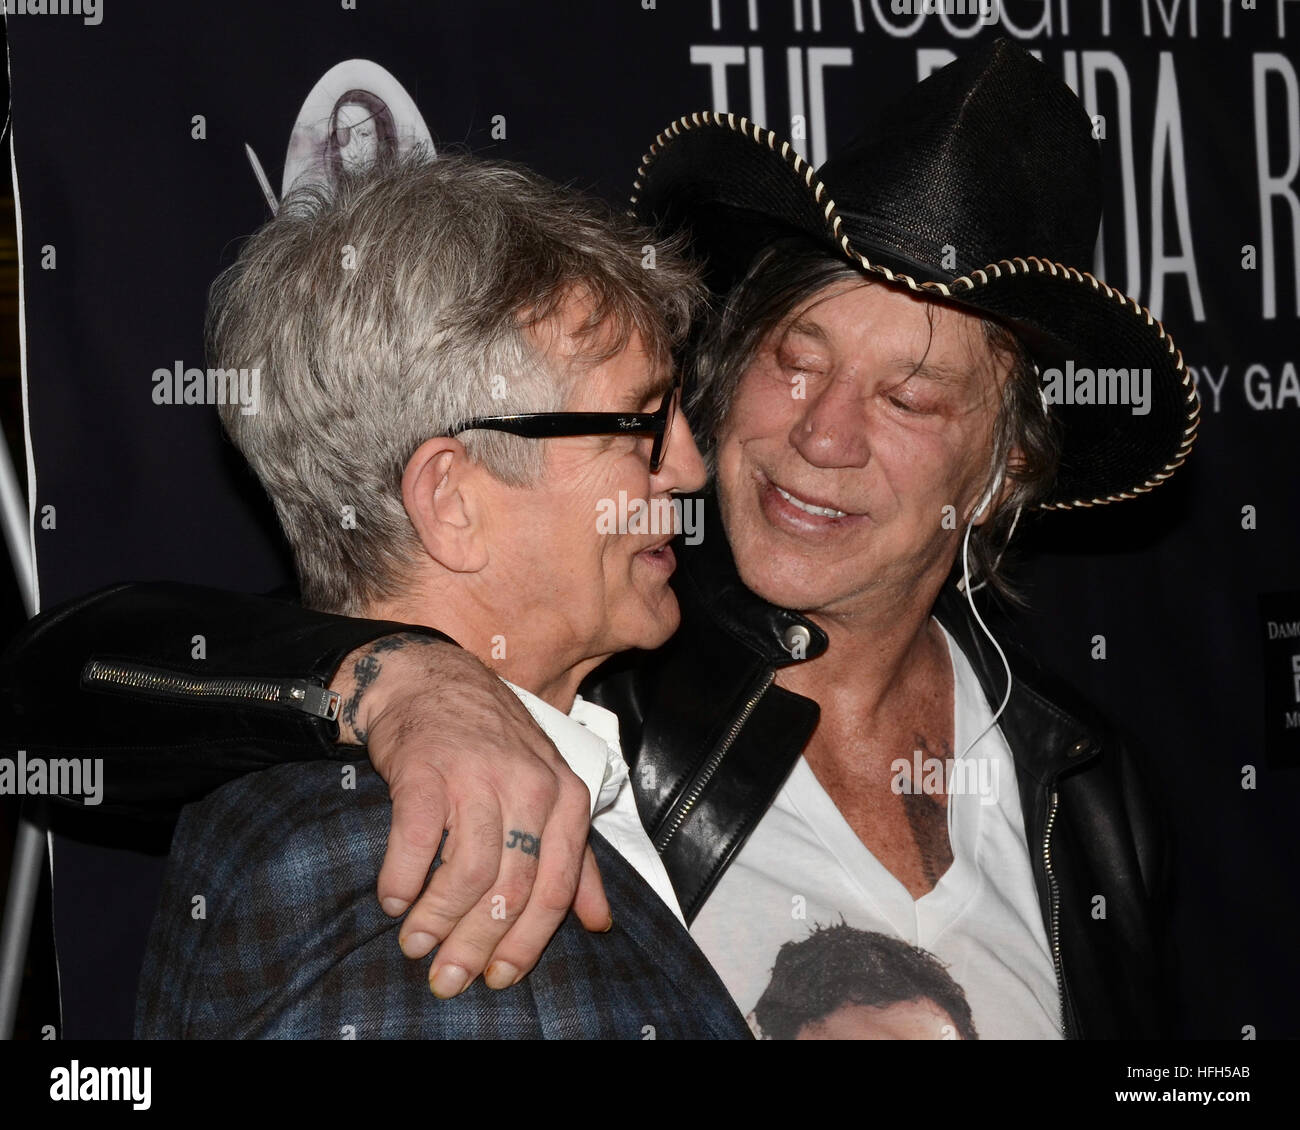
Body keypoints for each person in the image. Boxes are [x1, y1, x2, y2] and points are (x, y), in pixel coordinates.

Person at [5, 40, 1197, 1038]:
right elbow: (65, 688)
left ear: (1003, 471)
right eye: (794, 361)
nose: (823, 435)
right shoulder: (613, 658)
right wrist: (391, 680)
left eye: (909, 398)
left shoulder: (1083, 785)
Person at [89, 149, 751, 1038]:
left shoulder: (452, 792)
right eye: (641, 423)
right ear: (453, 501)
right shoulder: (400, 859)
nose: (690, 469)